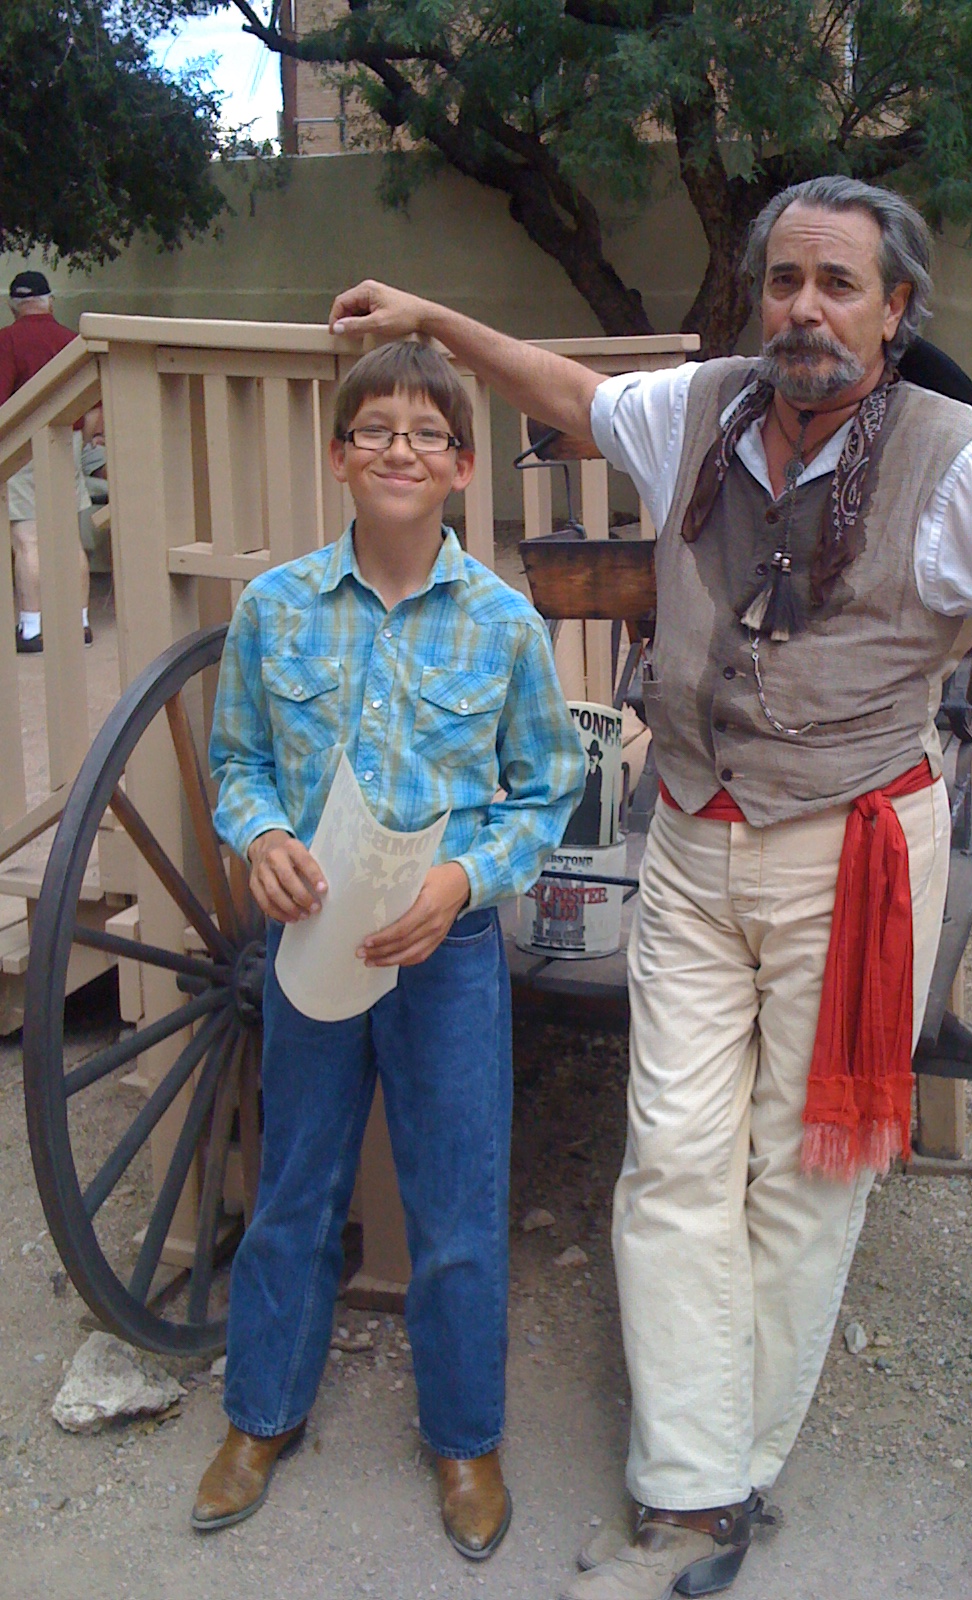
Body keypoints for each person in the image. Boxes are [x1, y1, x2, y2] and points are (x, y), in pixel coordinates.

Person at [329, 176, 972, 1600]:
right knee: (673, 1156)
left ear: (895, 310)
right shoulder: (701, 408)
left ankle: (727, 1470)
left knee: (805, 1172)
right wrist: (434, 317)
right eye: (785, 280)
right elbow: (567, 389)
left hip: (854, 856)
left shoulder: (954, 461)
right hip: (689, 838)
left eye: (839, 284)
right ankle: (689, 1492)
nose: (805, 308)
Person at [195, 341, 585, 1557]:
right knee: (296, 1185)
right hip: (312, 941)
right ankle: (260, 1413)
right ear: (339, 456)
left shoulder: (505, 625)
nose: (399, 450)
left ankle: (465, 1438)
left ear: (463, 465)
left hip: (446, 953)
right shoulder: (275, 610)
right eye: (375, 430)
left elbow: (547, 788)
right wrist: (260, 834)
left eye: (426, 433)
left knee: (458, 1203)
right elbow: (238, 760)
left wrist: (467, 876)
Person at [0, 271, 92, 652]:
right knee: (69, 537)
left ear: (13, 306)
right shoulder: (73, 341)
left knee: (28, 540)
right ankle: (79, 623)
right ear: (50, 302)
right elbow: (90, 404)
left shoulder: (6, 340)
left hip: (21, 445)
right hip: (67, 441)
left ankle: (32, 628)